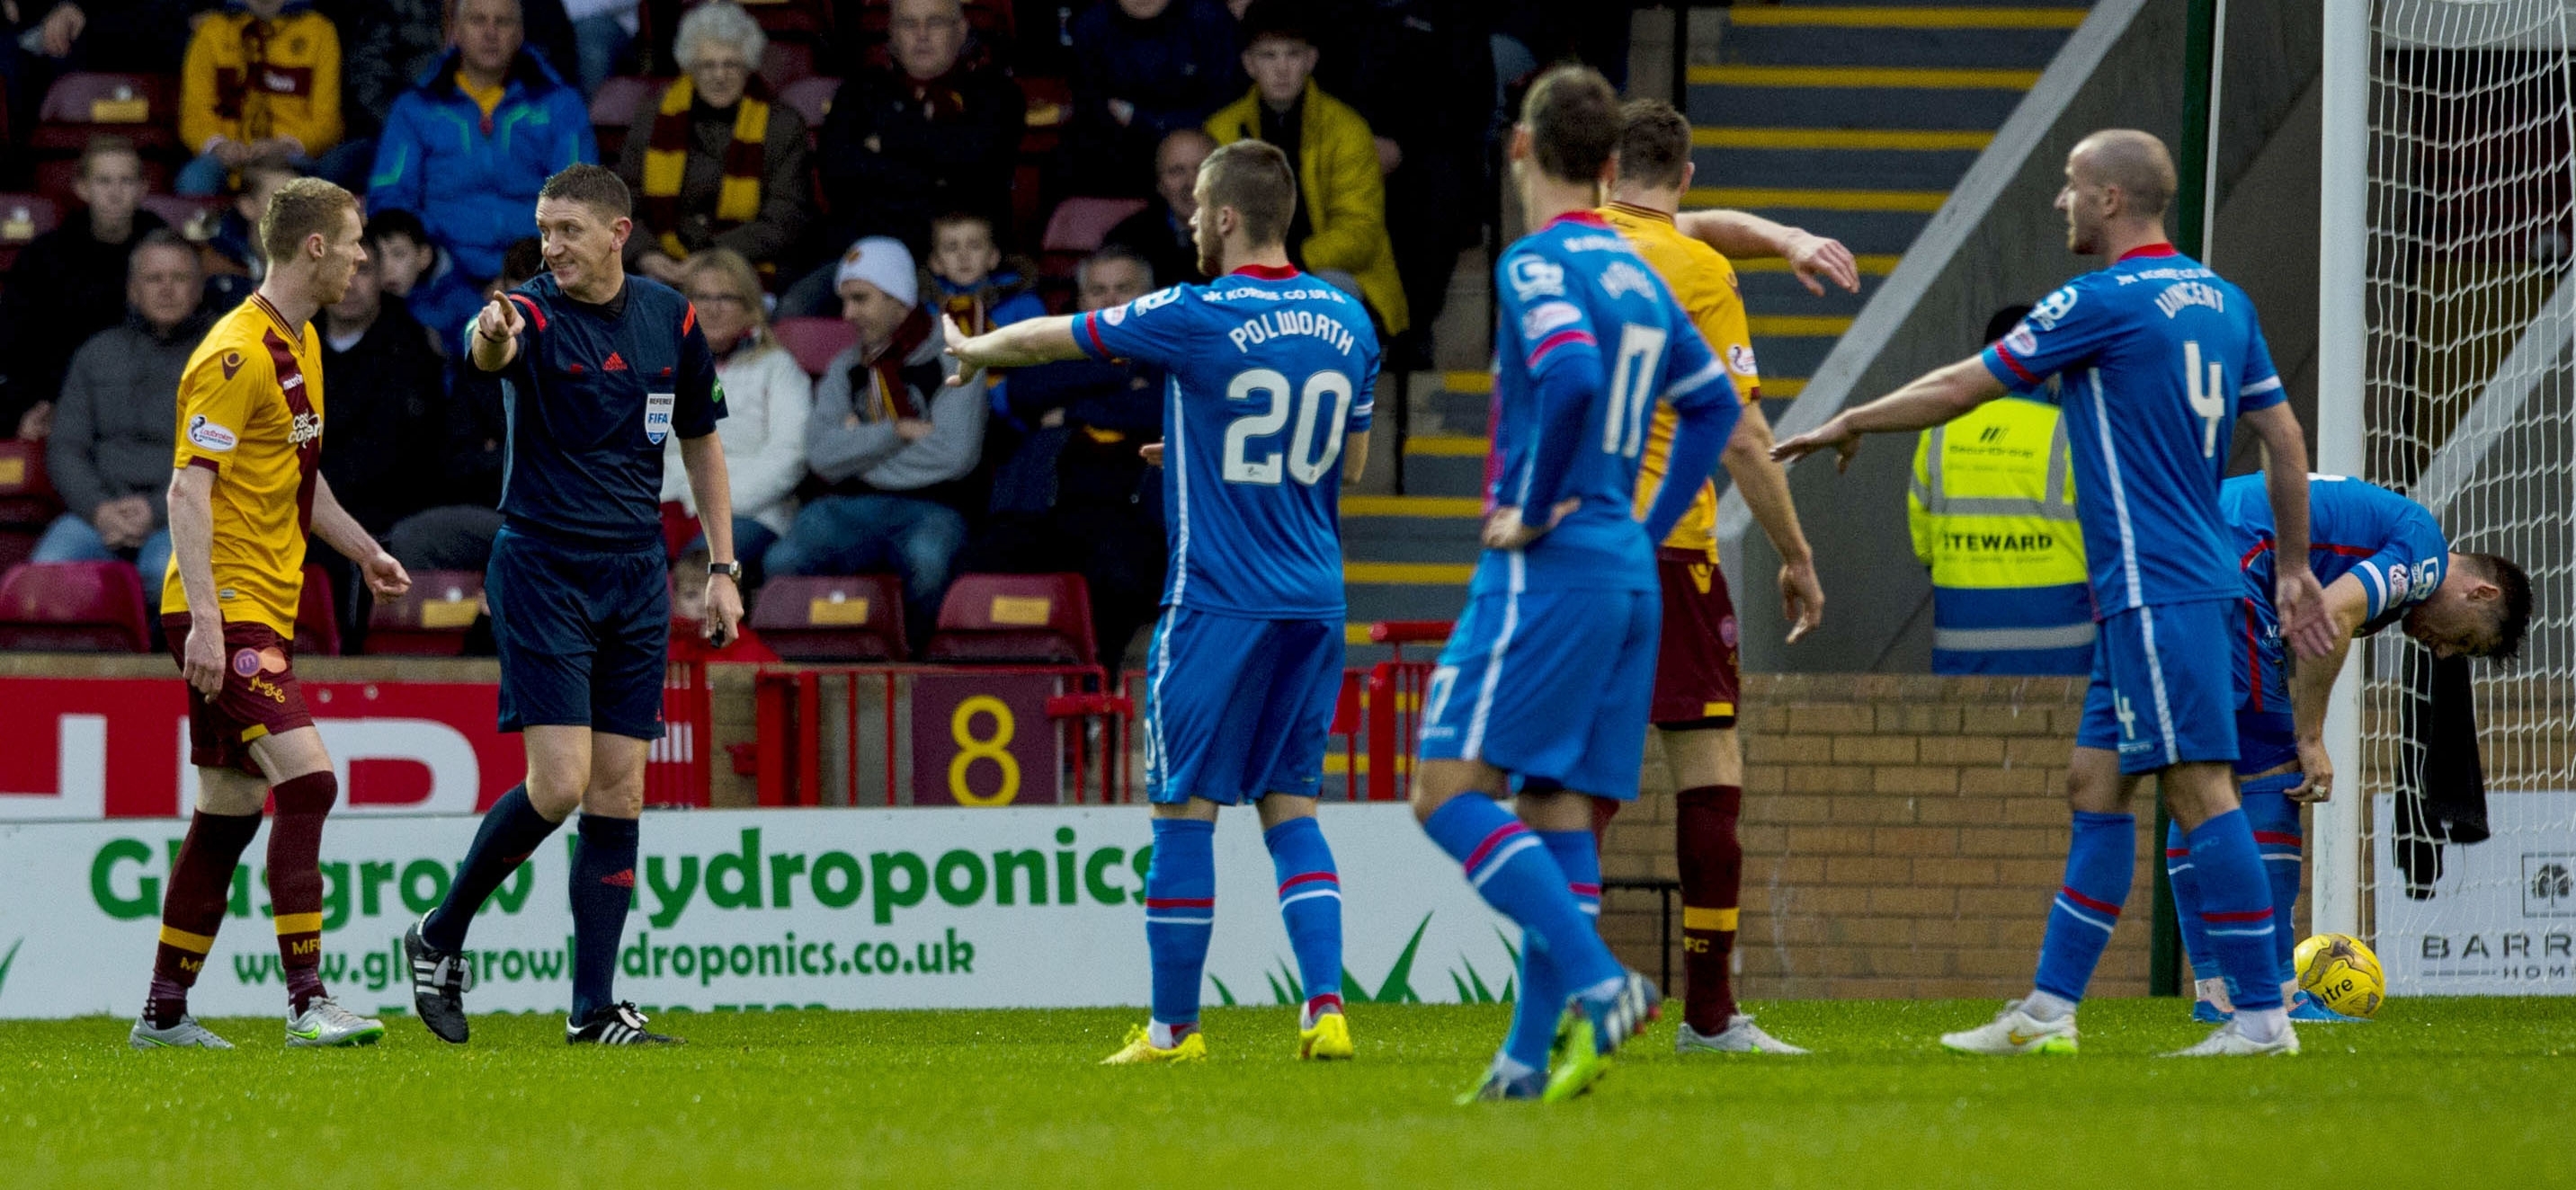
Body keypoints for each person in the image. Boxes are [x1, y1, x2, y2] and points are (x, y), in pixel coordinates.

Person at [1773, 129, 2338, 1058]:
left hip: (2158, 588)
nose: (2059, 204)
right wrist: (2289, 562)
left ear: (2113, 200)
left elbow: (1964, 384)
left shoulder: (2098, 300)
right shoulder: (2223, 301)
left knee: (2201, 791)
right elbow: (2283, 437)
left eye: (2071, 187)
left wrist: (1853, 419)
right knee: (2094, 783)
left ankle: (2262, 1017)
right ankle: (2048, 1012)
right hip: (2162, 590)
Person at [946, 138, 1379, 1065]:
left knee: (1183, 813)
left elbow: (1053, 337)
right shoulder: (1350, 316)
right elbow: (1341, 464)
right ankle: (1326, 1009)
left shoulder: (1197, 310)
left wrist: (974, 348)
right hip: (1315, 600)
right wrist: (1198, 457)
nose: (1188, 225)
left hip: (1220, 600)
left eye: (1196, 212)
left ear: (1226, 216)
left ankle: (1174, 1030)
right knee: (1293, 806)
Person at [1413, 66, 1741, 1104]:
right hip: (1630, 569)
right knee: (1562, 812)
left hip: (1549, 565)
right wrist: (1643, 529)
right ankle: (1522, 1060)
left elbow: (1569, 375)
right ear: (1610, 169)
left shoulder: (1538, 262)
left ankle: (1602, 986)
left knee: (1443, 792)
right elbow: (1714, 410)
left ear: (1520, 149)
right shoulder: (1646, 272)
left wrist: (1540, 503)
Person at [402, 165, 738, 1047]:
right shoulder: (531, 313)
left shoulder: (671, 317)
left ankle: (593, 1008)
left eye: (569, 231)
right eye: (544, 228)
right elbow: (492, 352)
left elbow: (701, 440)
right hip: (544, 566)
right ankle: (439, 933)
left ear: (619, 231)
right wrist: (489, 331)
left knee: (620, 789)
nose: (552, 246)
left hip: (636, 572)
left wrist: (725, 563)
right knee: (560, 784)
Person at [129, 177, 414, 1050]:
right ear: (316, 246)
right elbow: (188, 489)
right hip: (227, 607)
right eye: (356, 239)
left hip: (262, 604)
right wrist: (208, 624)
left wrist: (363, 549)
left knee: (226, 811)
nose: (364, 255)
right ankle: (306, 999)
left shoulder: (302, 344)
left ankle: (164, 1014)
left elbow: (300, 476)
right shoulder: (234, 352)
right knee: (312, 780)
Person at [1595, 98, 1825, 1056]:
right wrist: (1796, 553)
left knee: (1576, 783)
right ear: (1685, 175)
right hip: (1670, 547)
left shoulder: (1564, 252)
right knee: (1708, 770)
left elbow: (1673, 221)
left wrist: (1779, 236)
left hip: (1570, 551)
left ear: (1607, 171)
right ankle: (1710, 1016)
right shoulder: (1698, 271)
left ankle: (1560, 1001)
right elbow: (1739, 435)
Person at [2169, 475, 2529, 1023]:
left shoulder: (2392, 548)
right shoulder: (2423, 550)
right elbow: (2330, 615)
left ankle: (2215, 992)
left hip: (2182, 549)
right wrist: (2310, 738)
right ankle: (2282, 994)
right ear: (2481, 593)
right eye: (2466, 640)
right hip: (2231, 562)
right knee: (2277, 773)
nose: (2446, 651)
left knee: (2199, 777)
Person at [765, 236, 985, 648]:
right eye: (845, 301)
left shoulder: (957, 357)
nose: (848, 314)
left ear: (898, 297)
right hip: (849, 507)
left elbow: (954, 456)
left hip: (933, 506)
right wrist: (896, 432)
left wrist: (857, 443)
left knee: (928, 562)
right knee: (782, 561)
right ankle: (817, 667)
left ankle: (916, 671)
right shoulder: (845, 366)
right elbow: (822, 457)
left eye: (861, 299)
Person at [1909, 305, 2093, 676]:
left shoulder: (1940, 431)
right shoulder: (2073, 431)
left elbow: (1924, 543)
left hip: (1962, 641)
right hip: (2063, 648)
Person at [1204, 1, 1407, 337]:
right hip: (1246, 277)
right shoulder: (1221, 130)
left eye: (1293, 55)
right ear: (1249, 64)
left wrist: (1286, 262)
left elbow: (1360, 235)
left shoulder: (1346, 129)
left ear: (1311, 61)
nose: (1281, 69)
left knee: (1322, 297)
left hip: (1327, 274)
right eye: (1268, 56)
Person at [367, 0, 597, 291]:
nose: (491, 32)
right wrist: (433, 258)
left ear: (520, 33)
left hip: (536, 275)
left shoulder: (562, 105)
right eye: (478, 21)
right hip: (439, 278)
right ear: (456, 30)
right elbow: (391, 195)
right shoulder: (416, 107)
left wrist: (523, 270)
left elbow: (578, 199)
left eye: (502, 22)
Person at [36, 231, 210, 613]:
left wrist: (156, 509)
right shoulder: (97, 354)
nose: (166, 289)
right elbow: (66, 449)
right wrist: (99, 509)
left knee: (165, 574)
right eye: (153, 279)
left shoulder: (225, 356)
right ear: (133, 290)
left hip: (187, 520)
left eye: (179, 279)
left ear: (198, 289)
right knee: (48, 571)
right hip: (98, 514)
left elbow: (230, 457)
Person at [809, 0, 1023, 266]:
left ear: (961, 30)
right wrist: (935, 169)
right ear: (892, 33)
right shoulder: (858, 92)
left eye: (935, 23)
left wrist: (887, 141)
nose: (922, 35)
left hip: (962, 264)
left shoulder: (997, 93)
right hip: (867, 258)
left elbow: (978, 171)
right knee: (795, 305)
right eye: (909, 24)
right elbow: (838, 175)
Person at [613, 2, 810, 285]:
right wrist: (645, 254)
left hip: (747, 266)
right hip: (661, 264)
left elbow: (784, 218)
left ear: (749, 65)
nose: (719, 76)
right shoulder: (654, 117)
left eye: (730, 64)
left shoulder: (783, 125)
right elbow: (625, 201)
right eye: (708, 65)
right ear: (690, 68)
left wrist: (711, 257)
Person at [0, 136, 164, 440]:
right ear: (82, 188)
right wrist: (30, 407)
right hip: (62, 402)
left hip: (150, 405)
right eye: (103, 181)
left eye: (126, 181)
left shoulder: (168, 255)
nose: (115, 194)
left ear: (143, 188)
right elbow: (15, 344)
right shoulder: (44, 257)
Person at [662, 248, 810, 583]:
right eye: (701, 297)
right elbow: (640, 448)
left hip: (751, 513)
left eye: (726, 298)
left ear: (750, 308)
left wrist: (713, 505)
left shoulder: (777, 368)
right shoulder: (662, 369)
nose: (712, 308)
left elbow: (790, 455)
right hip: (667, 506)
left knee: (702, 566)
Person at [316, 243, 448, 549]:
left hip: (385, 517)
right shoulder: (291, 343)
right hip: (302, 506)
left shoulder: (413, 349)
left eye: (362, 270)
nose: (349, 284)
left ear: (380, 277)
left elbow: (396, 455)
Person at [1062, 0, 1239, 196]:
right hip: (1119, 158)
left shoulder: (1208, 18)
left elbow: (1226, 102)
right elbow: (1092, 110)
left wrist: (1144, 121)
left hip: (1203, 146)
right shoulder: (1092, 26)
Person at [174, 0, 344, 196]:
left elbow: (328, 123)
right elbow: (193, 116)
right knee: (195, 178)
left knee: (321, 183)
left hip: (290, 159)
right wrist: (219, 145)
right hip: (226, 160)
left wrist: (285, 145)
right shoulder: (211, 30)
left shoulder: (320, 30)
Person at [1105, 128, 1216, 289]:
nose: (1190, 183)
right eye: (1176, 171)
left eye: (1201, 169)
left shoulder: (1251, 234)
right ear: (1159, 185)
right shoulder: (1127, 240)